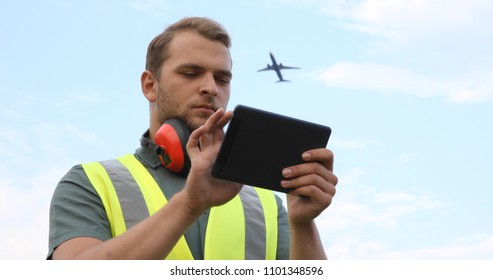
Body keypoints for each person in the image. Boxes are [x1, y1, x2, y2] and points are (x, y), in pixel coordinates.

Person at [47, 17, 337, 260]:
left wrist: (302, 224)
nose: (210, 88)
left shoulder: (267, 205)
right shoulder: (90, 182)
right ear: (150, 85)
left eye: (222, 79)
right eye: (191, 73)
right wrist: (188, 205)